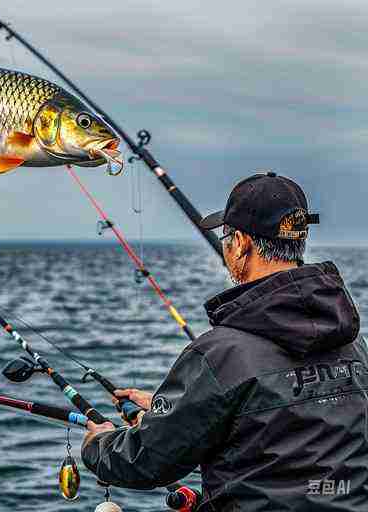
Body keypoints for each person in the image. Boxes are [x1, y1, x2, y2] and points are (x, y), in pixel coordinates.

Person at [81, 172, 368, 511]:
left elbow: (143, 461)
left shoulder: (219, 354)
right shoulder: (353, 343)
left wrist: (97, 443)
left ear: (242, 243)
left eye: (226, 237)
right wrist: (173, 408)